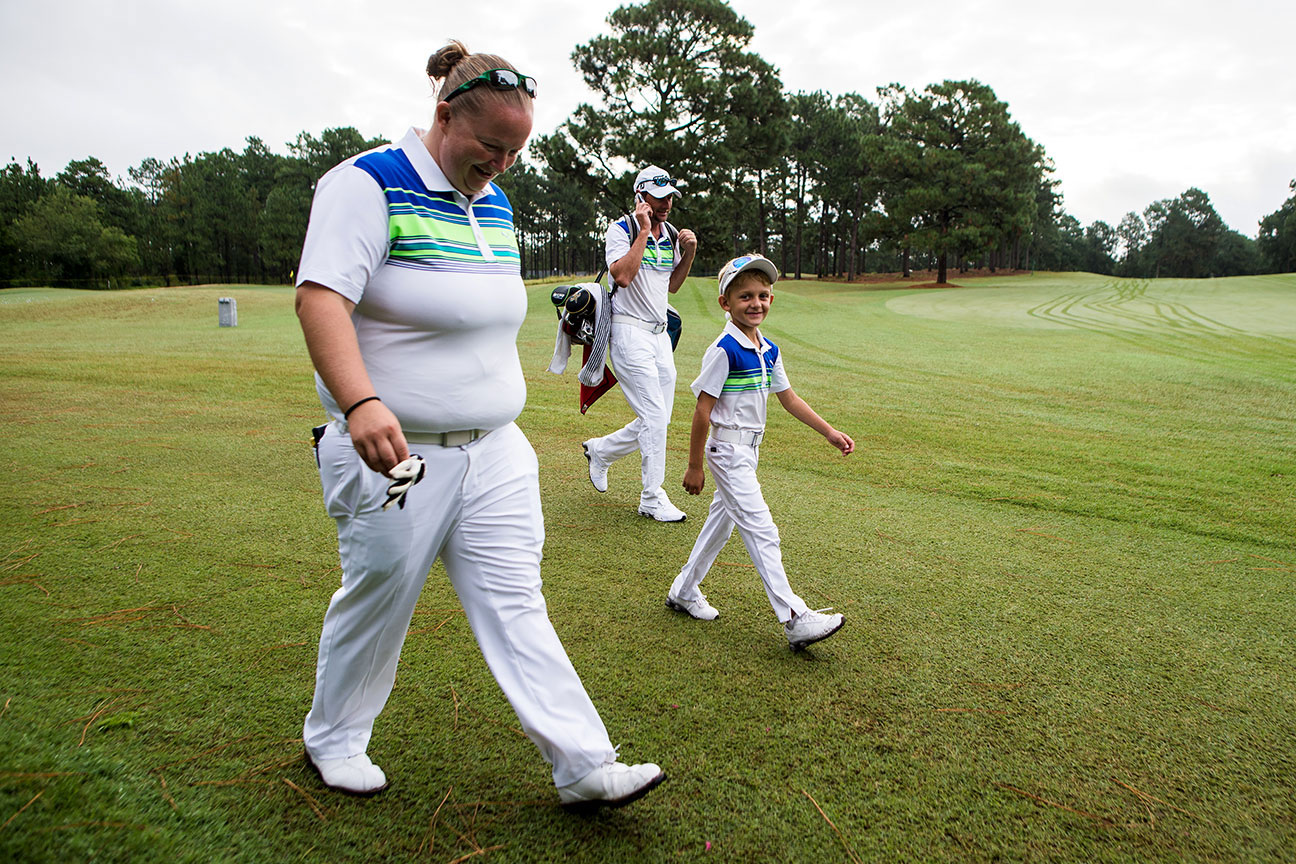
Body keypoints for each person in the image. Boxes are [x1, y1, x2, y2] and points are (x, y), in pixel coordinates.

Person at [294, 40, 664, 809]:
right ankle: (334, 738)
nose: (502, 162)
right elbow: (321, 299)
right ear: (441, 114)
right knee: (381, 595)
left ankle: (583, 764)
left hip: (495, 447)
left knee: (516, 599)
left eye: (516, 150)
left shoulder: (491, 200)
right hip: (397, 453)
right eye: (491, 145)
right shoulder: (366, 184)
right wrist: (361, 403)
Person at [667, 254, 854, 649]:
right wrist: (694, 465)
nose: (756, 303)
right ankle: (794, 616)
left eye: (764, 295)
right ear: (726, 303)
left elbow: (788, 398)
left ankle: (684, 590)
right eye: (746, 296)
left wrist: (829, 432)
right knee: (763, 529)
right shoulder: (724, 350)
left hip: (749, 452)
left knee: (722, 525)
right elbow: (702, 410)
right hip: (727, 451)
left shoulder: (768, 349)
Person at [582, 166, 698, 522]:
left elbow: (672, 285)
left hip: (660, 335)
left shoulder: (673, 234)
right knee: (653, 416)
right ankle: (652, 496)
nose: (666, 205)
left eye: (669, 199)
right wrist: (644, 231)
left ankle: (601, 451)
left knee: (658, 418)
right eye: (659, 198)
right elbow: (623, 275)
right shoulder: (623, 229)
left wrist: (689, 253)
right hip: (628, 332)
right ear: (641, 197)